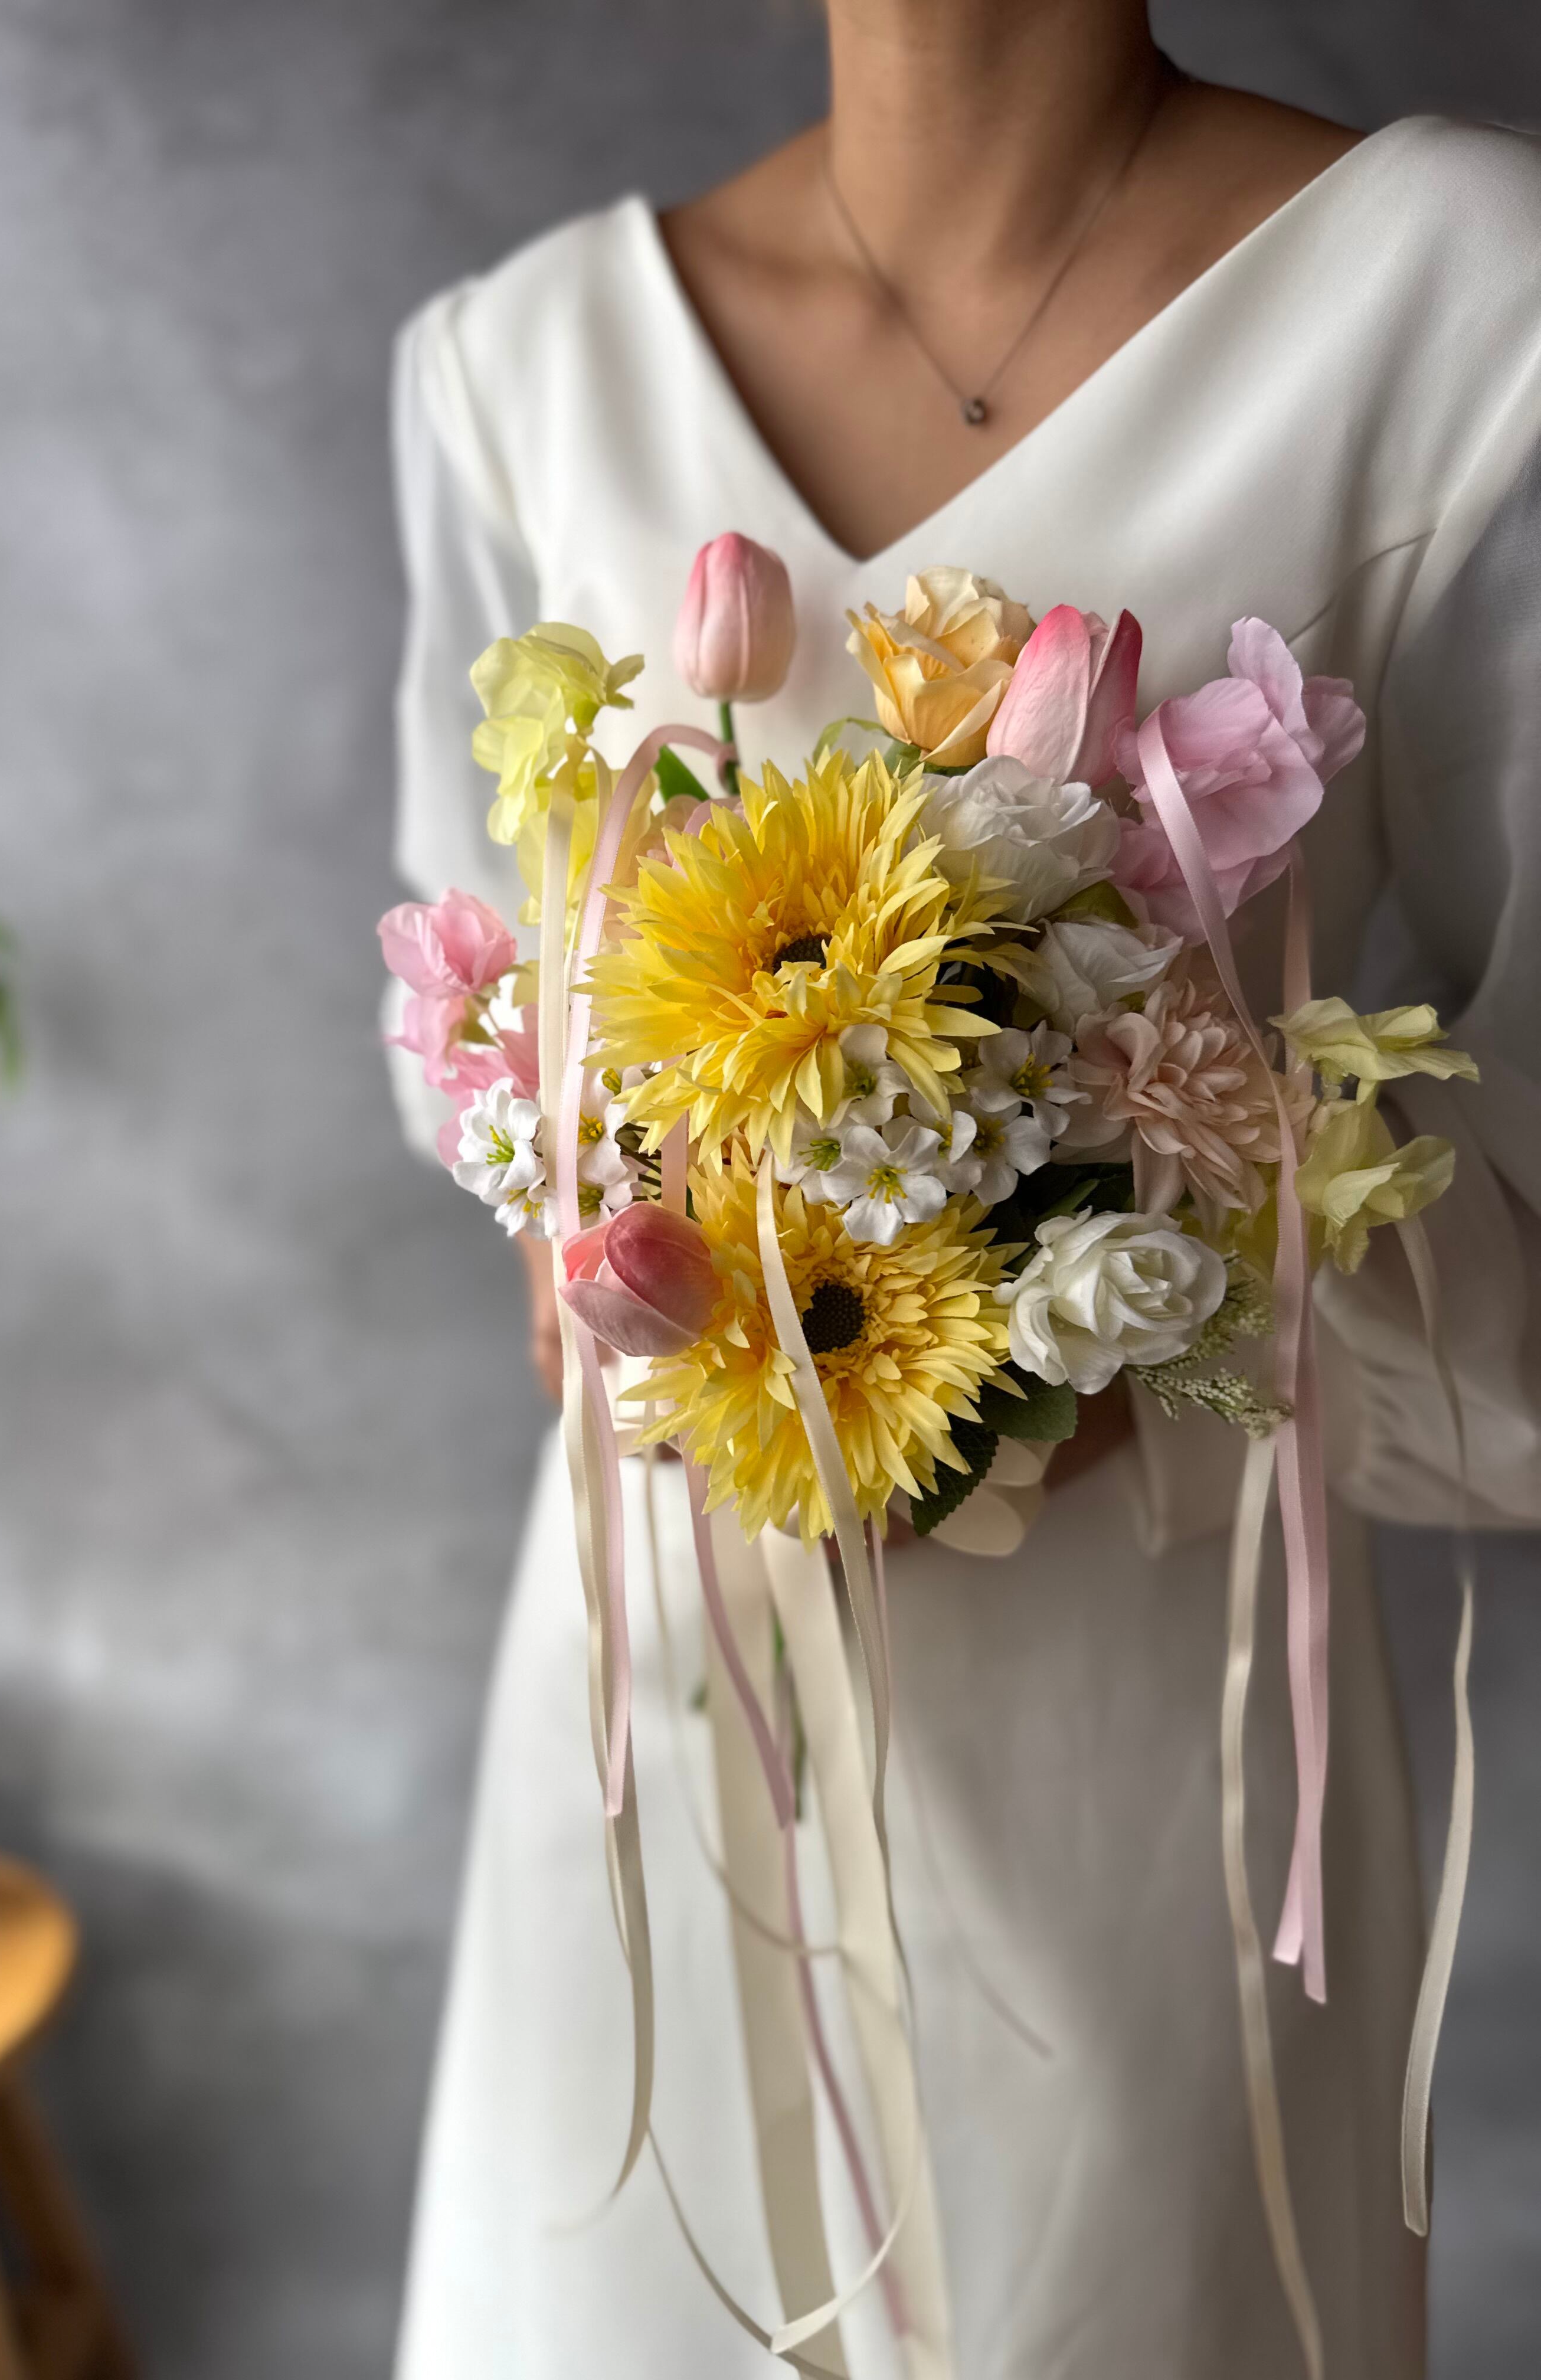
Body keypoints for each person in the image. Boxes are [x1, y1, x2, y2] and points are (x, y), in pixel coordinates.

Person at [385, 6, 1541, 2373]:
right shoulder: (523, 365)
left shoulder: (1461, 305)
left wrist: (1159, 1265)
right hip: (665, 1733)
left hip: (1160, 1759)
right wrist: (609, 1259)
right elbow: (481, 1033)